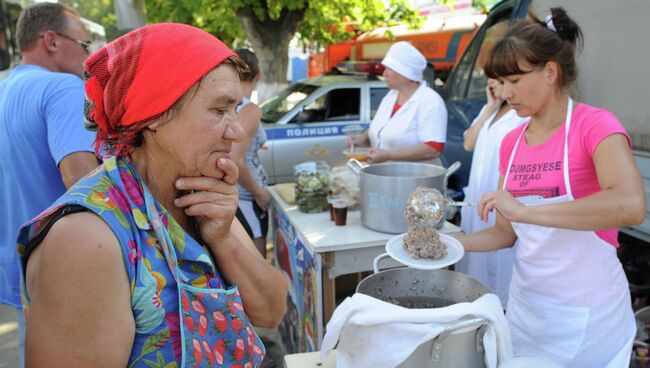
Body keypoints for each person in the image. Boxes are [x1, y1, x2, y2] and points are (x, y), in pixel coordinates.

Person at [17, 23, 287, 367]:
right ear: (154, 114)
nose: (235, 129)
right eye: (220, 110)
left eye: (235, 109)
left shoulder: (200, 190)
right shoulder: (87, 241)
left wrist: (223, 238)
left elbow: (272, 312)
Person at [456, 7, 646, 367]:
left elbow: (630, 204)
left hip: (588, 316)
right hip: (528, 311)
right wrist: (453, 244)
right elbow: (505, 232)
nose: (506, 92)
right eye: (501, 81)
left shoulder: (594, 126)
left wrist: (528, 211)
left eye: (514, 80)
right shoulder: (511, 142)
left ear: (551, 72)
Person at [0, 3, 98, 367]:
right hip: (69, 268)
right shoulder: (63, 87)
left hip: (24, 266)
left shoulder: (6, 89)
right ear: (51, 41)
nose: (89, 57)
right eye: (84, 44)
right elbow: (82, 180)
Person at [455, 78, 527, 307]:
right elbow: (468, 142)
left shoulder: (522, 114)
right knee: (472, 271)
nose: (491, 82)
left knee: (496, 271)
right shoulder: (493, 109)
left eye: (498, 77)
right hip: (477, 199)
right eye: (490, 77)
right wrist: (489, 107)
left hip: (501, 203)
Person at [347, 41, 447, 164]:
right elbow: (379, 130)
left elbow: (433, 149)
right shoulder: (390, 97)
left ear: (405, 73)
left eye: (390, 69)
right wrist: (361, 139)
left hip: (413, 179)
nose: (384, 74)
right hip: (383, 175)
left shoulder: (430, 101)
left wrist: (388, 155)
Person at [232, 48, 271, 257]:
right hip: (247, 199)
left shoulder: (226, 107)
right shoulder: (249, 110)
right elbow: (235, 160)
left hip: (236, 196)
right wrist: (258, 192)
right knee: (258, 266)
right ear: (258, 77)